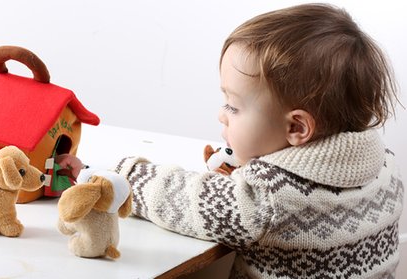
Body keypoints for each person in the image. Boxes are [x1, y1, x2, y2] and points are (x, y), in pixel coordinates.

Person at [57, 3, 404, 278]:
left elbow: (182, 198)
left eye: (233, 106)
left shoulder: (267, 197)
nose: (221, 115)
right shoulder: (385, 164)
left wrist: (119, 174)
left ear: (297, 129)